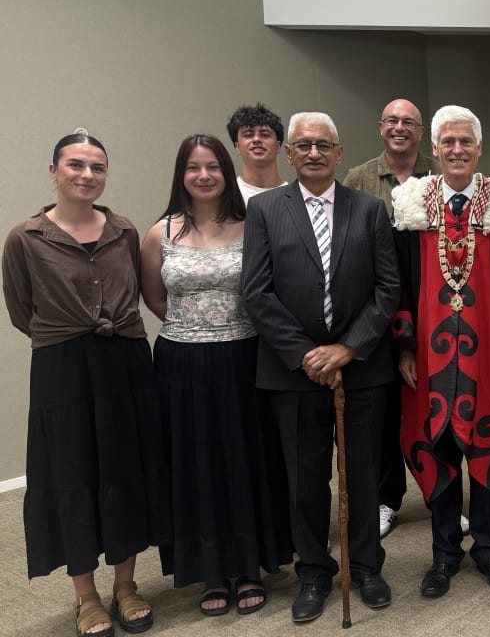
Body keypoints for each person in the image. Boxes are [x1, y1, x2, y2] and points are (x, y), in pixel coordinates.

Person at [2, 130, 171, 637]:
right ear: (54, 172)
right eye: (75, 165)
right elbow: (20, 310)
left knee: (125, 468)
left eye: (97, 167)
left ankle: (125, 586)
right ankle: (85, 596)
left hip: (125, 362)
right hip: (63, 368)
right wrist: (71, 336)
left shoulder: (122, 231)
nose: (86, 175)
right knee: (71, 473)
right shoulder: (25, 238)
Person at [241, 112, 400, 622]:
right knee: (305, 479)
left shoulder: (370, 210)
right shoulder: (265, 210)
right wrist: (307, 354)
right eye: (303, 145)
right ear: (290, 153)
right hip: (292, 373)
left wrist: (348, 349)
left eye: (323, 145)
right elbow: (256, 292)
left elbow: (387, 288)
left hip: (362, 368)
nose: (314, 153)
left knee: (361, 476)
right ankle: (313, 570)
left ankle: (366, 566)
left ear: (339, 152)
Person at [140, 134, 292, 616]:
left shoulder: (254, 225)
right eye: (193, 167)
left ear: (227, 174)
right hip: (182, 364)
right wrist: (196, 328)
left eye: (213, 167)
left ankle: (249, 565)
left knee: (248, 460)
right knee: (194, 465)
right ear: (180, 175)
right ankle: (209, 571)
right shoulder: (158, 232)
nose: (203, 175)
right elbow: (155, 298)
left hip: (246, 358)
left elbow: (269, 289)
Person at [391, 104, 490, 599]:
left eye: (465, 142)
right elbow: (399, 281)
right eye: (447, 142)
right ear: (434, 149)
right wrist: (404, 346)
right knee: (439, 448)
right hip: (430, 358)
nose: (457, 150)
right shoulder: (410, 204)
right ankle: (444, 553)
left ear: (479, 147)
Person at [343, 98, 442, 539]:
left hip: (433, 309)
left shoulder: (440, 177)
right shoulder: (358, 179)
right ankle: (387, 499)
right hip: (376, 314)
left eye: (409, 122)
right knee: (382, 414)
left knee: (432, 406)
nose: (400, 127)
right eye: (392, 121)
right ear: (380, 127)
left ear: (421, 133)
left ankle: (441, 497)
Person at [225, 103, 286, 199]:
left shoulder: (297, 198)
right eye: (248, 134)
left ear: (278, 146)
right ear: (237, 146)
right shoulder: (226, 197)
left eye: (265, 134)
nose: (256, 139)